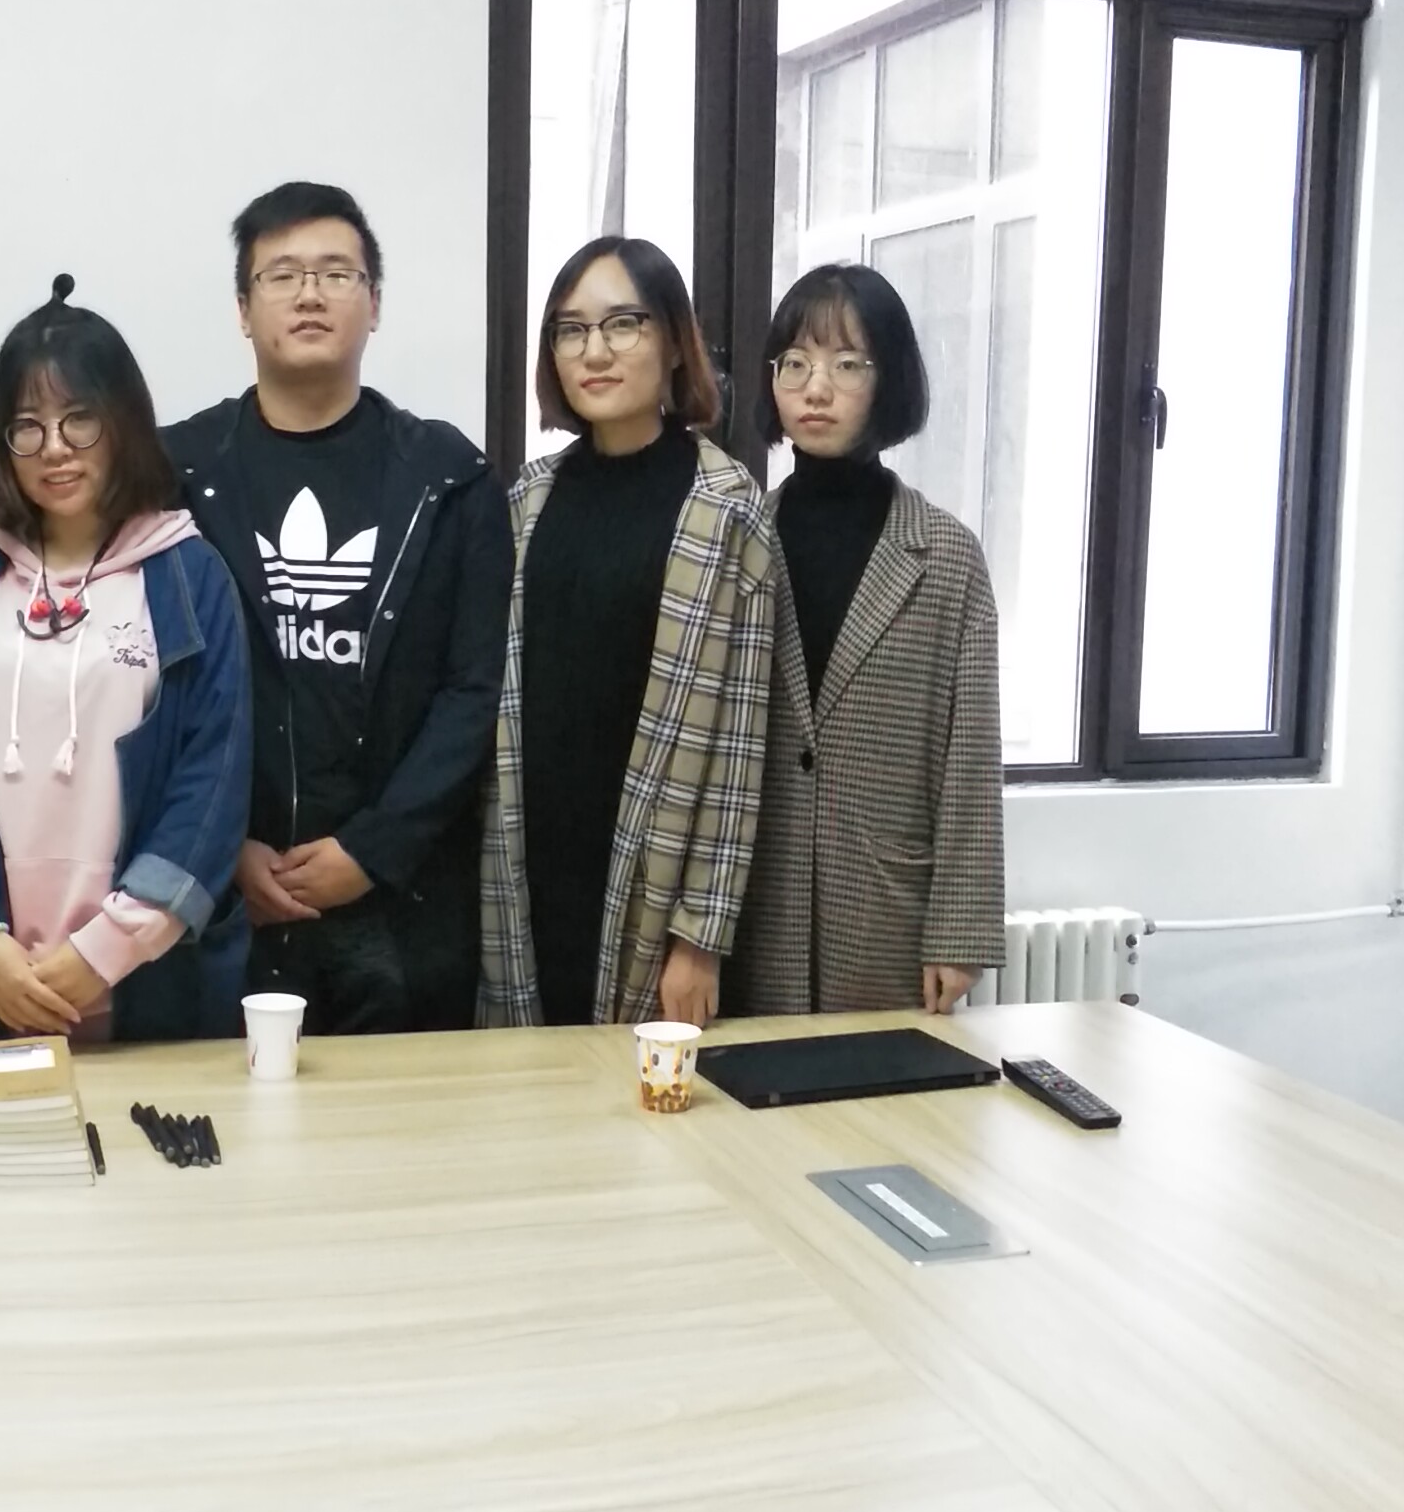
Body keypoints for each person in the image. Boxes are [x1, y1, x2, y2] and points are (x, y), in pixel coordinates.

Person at [165, 181, 508, 1034]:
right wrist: (221, 844)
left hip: (400, 908)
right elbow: (147, 683)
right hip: (220, 907)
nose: (310, 294)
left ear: (375, 303)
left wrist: (373, 849)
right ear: (243, 310)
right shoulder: (174, 475)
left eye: (335, 273)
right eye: (282, 275)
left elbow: (472, 691)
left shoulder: (449, 478)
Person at [0, 279, 249, 1044]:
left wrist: (105, 951)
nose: (54, 447)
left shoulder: (189, 577)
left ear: (123, 423)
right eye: (27, 426)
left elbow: (212, 776)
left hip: (145, 985)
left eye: (79, 419)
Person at [478, 237, 775, 1030]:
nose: (595, 351)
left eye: (623, 324)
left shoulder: (726, 505)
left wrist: (700, 938)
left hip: (655, 864)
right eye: (571, 330)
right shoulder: (530, 496)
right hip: (529, 857)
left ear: (674, 342)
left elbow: (741, 743)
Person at [730, 266, 1006, 1016]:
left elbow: (971, 757)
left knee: (886, 1086)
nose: (816, 389)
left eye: (847, 364)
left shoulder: (945, 555)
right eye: (795, 363)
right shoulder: (738, 542)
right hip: (755, 908)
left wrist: (960, 931)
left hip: (886, 908)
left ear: (889, 381)